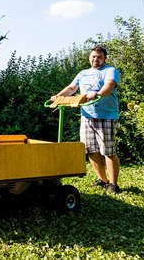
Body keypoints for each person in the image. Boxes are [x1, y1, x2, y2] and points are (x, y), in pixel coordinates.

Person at [51, 46, 121, 194]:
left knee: (108, 151)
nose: (96, 59)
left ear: (104, 58)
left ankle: (113, 184)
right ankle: (102, 180)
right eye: (93, 57)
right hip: (87, 117)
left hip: (106, 117)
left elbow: (109, 86)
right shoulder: (83, 73)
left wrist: (98, 94)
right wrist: (58, 97)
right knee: (90, 150)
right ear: (89, 57)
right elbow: (71, 88)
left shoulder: (110, 71)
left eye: (99, 57)